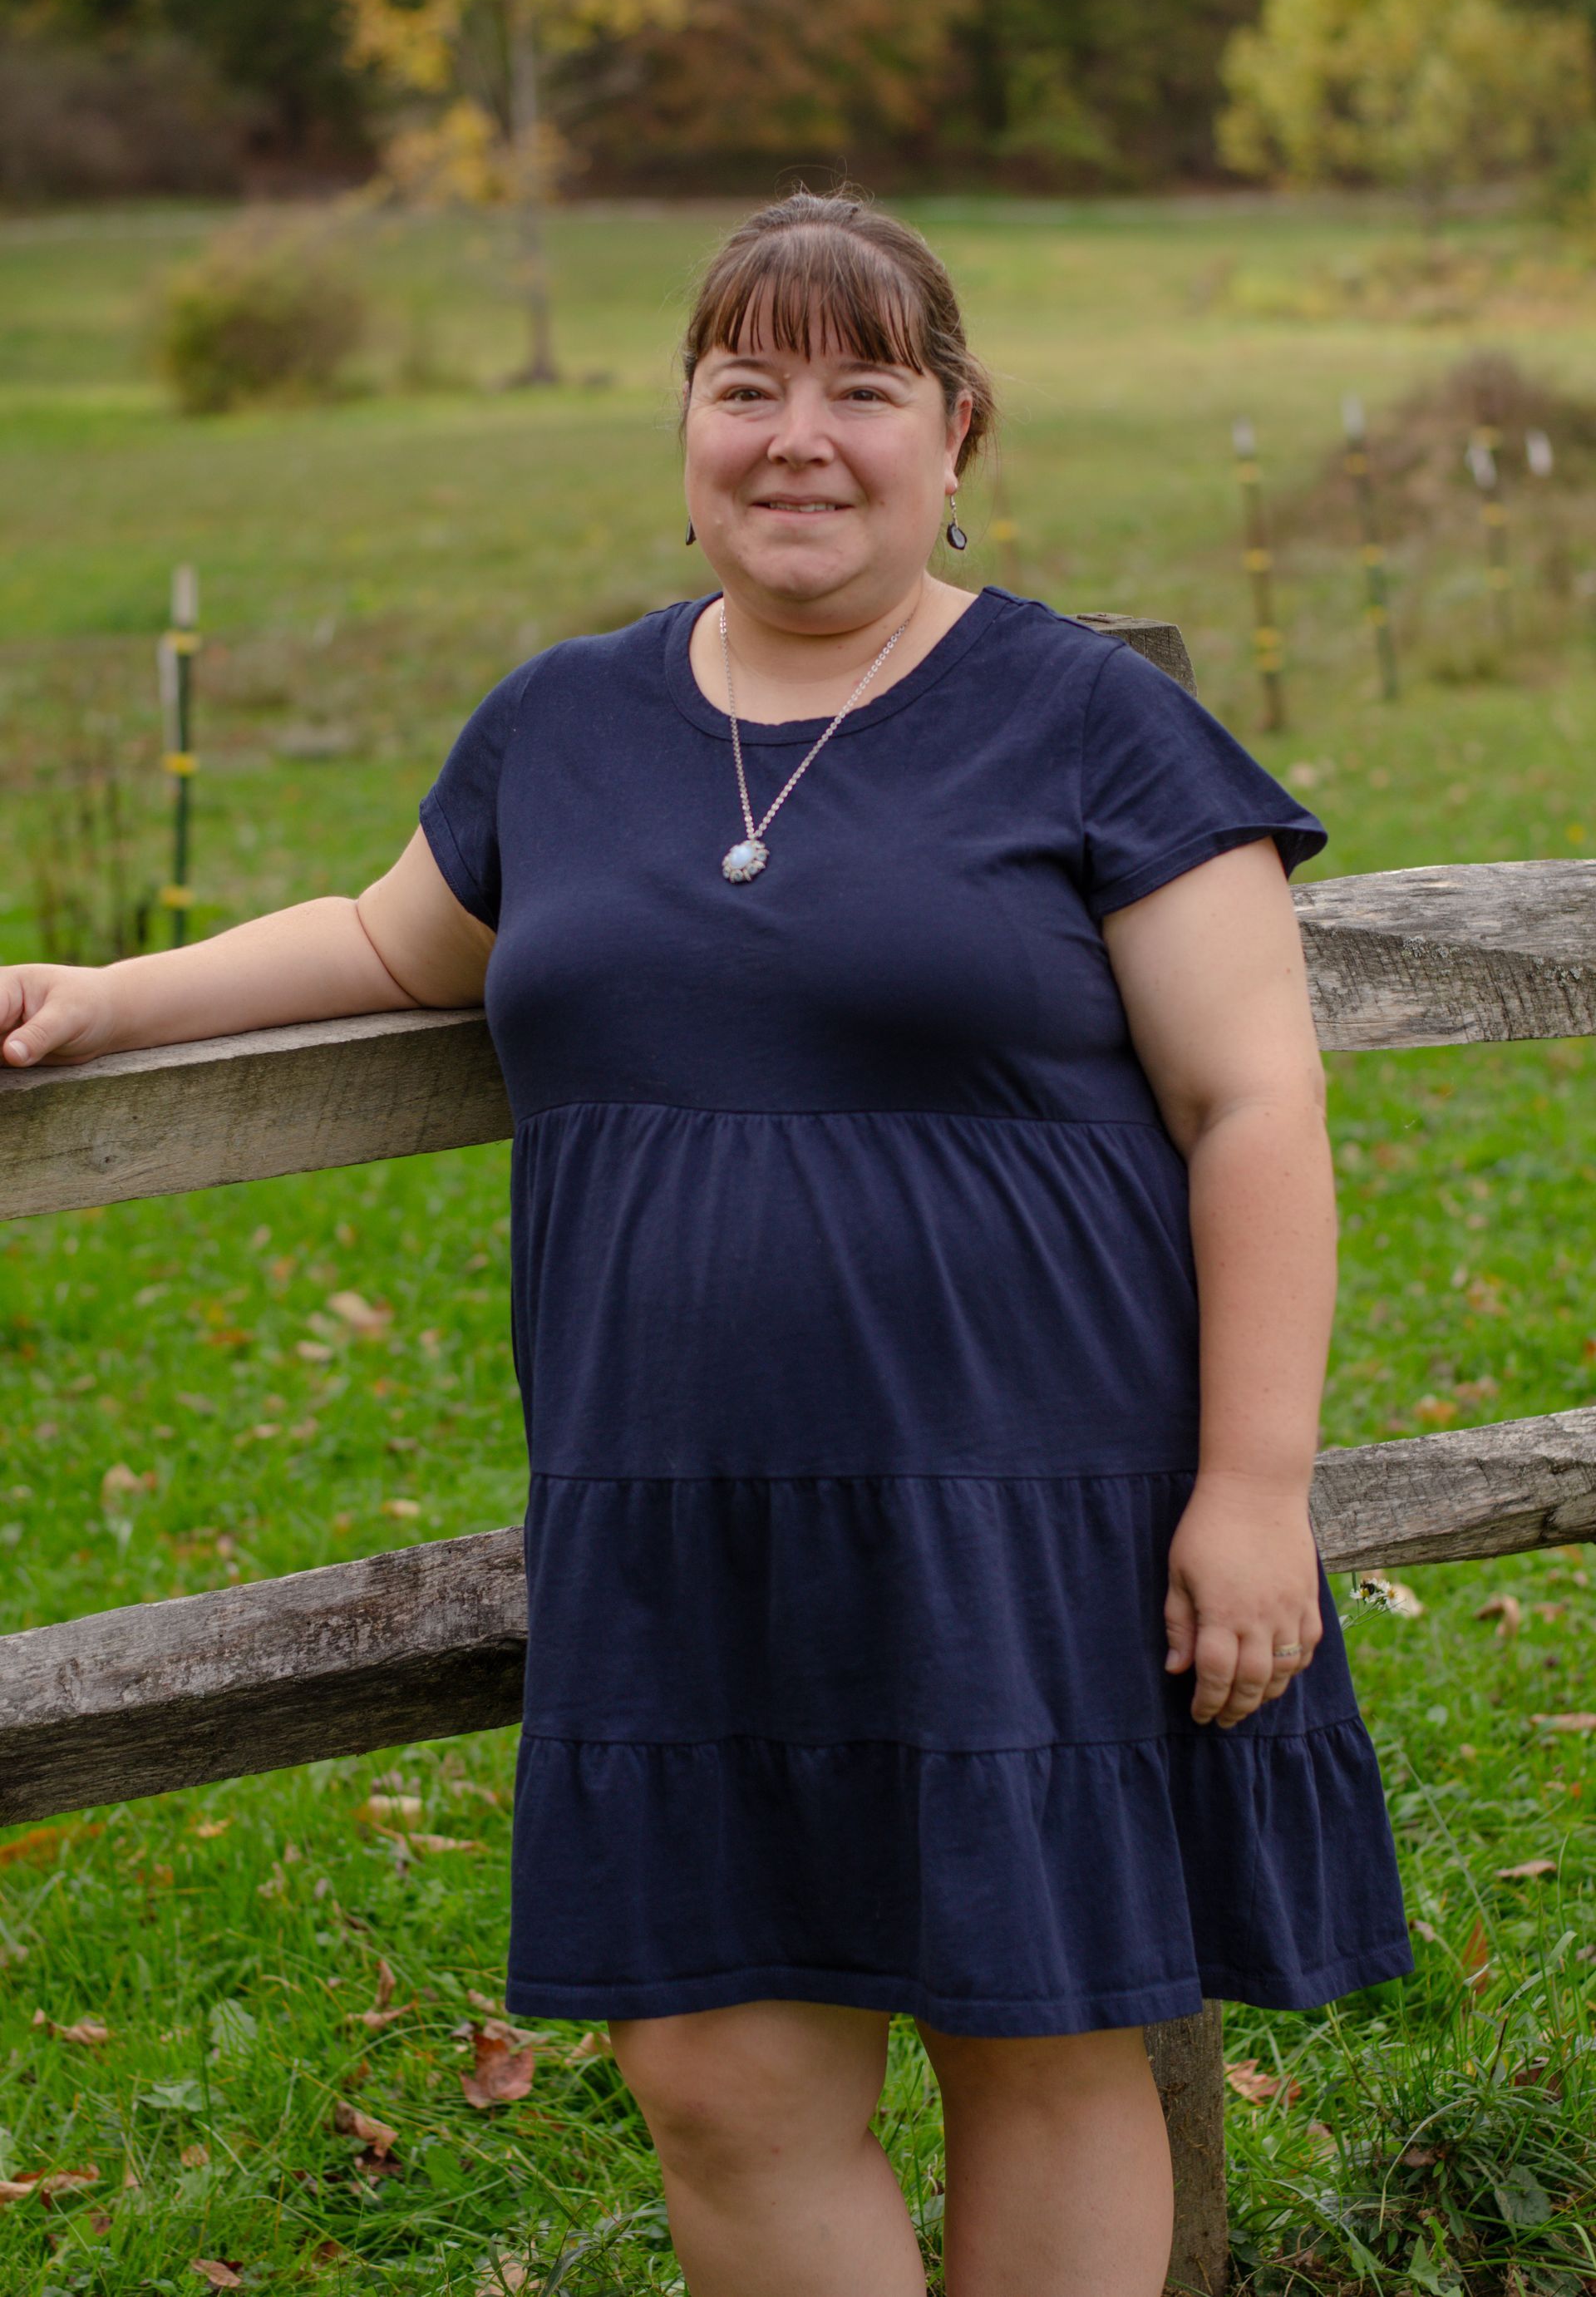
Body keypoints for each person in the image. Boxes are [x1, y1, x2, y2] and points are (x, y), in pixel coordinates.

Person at [1, 187, 1411, 2297]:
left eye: (863, 387)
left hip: (1030, 1499)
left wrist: (1257, 1486)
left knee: (1034, 2036)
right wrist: (108, 998)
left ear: (958, 433)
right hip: (676, 1515)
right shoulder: (560, 724)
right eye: (746, 385)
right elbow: (396, 939)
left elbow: (1252, 1104)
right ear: (685, 429)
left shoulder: (1089, 724)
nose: (799, 437)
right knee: (720, 2075)